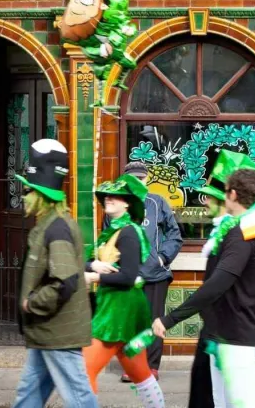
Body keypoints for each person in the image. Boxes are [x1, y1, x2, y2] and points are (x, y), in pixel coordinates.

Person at [153, 168, 255, 408]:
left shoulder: (243, 235)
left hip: (235, 335)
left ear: (232, 194)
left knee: (245, 403)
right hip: (227, 333)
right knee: (224, 402)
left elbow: (218, 284)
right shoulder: (248, 230)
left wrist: (170, 319)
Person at [12, 139, 98, 408]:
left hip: (58, 330)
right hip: (47, 331)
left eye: (27, 191)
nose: (23, 196)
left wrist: (31, 302)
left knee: (78, 396)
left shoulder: (57, 228)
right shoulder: (51, 225)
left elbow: (66, 280)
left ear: (39, 195)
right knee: (29, 392)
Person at [188, 150, 255, 408]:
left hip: (230, 325)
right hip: (220, 322)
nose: (206, 203)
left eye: (214, 197)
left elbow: (247, 284)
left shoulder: (239, 231)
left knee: (234, 394)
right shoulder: (229, 228)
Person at [84, 173, 165, 408]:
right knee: (141, 374)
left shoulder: (129, 232)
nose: (109, 198)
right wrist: (93, 265)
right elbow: (88, 260)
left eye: (116, 196)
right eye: (107, 195)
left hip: (118, 312)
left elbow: (128, 277)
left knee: (83, 372)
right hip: (116, 308)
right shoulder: (111, 231)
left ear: (127, 203)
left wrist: (94, 275)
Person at [103, 162, 183, 382]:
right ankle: (133, 366)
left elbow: (174, 235)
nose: (138, 182)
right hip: (126, 277)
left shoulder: (157, 203)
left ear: (147, 180)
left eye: (141, 178)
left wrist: (162, 257)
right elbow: (106, 239)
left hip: (155, 275)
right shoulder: (116, 206)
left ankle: (151, 367)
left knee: (154, 322)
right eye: (133, 179)